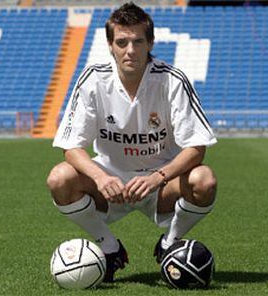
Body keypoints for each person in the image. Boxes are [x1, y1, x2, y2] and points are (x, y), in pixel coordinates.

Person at [47, 2, 217, 283]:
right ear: (110, 45)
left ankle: (169, 246)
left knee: (204, 180)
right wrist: (101, 178)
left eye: (138, 41)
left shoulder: (172, 80)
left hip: (161, 184)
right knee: (59, 179)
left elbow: (197, 147)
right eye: (122, 42)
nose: (130, 50)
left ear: (150, 42)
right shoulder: (93, 80)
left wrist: (157, 178)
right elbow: (71, 147)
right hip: (110, 185)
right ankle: (110, 248)